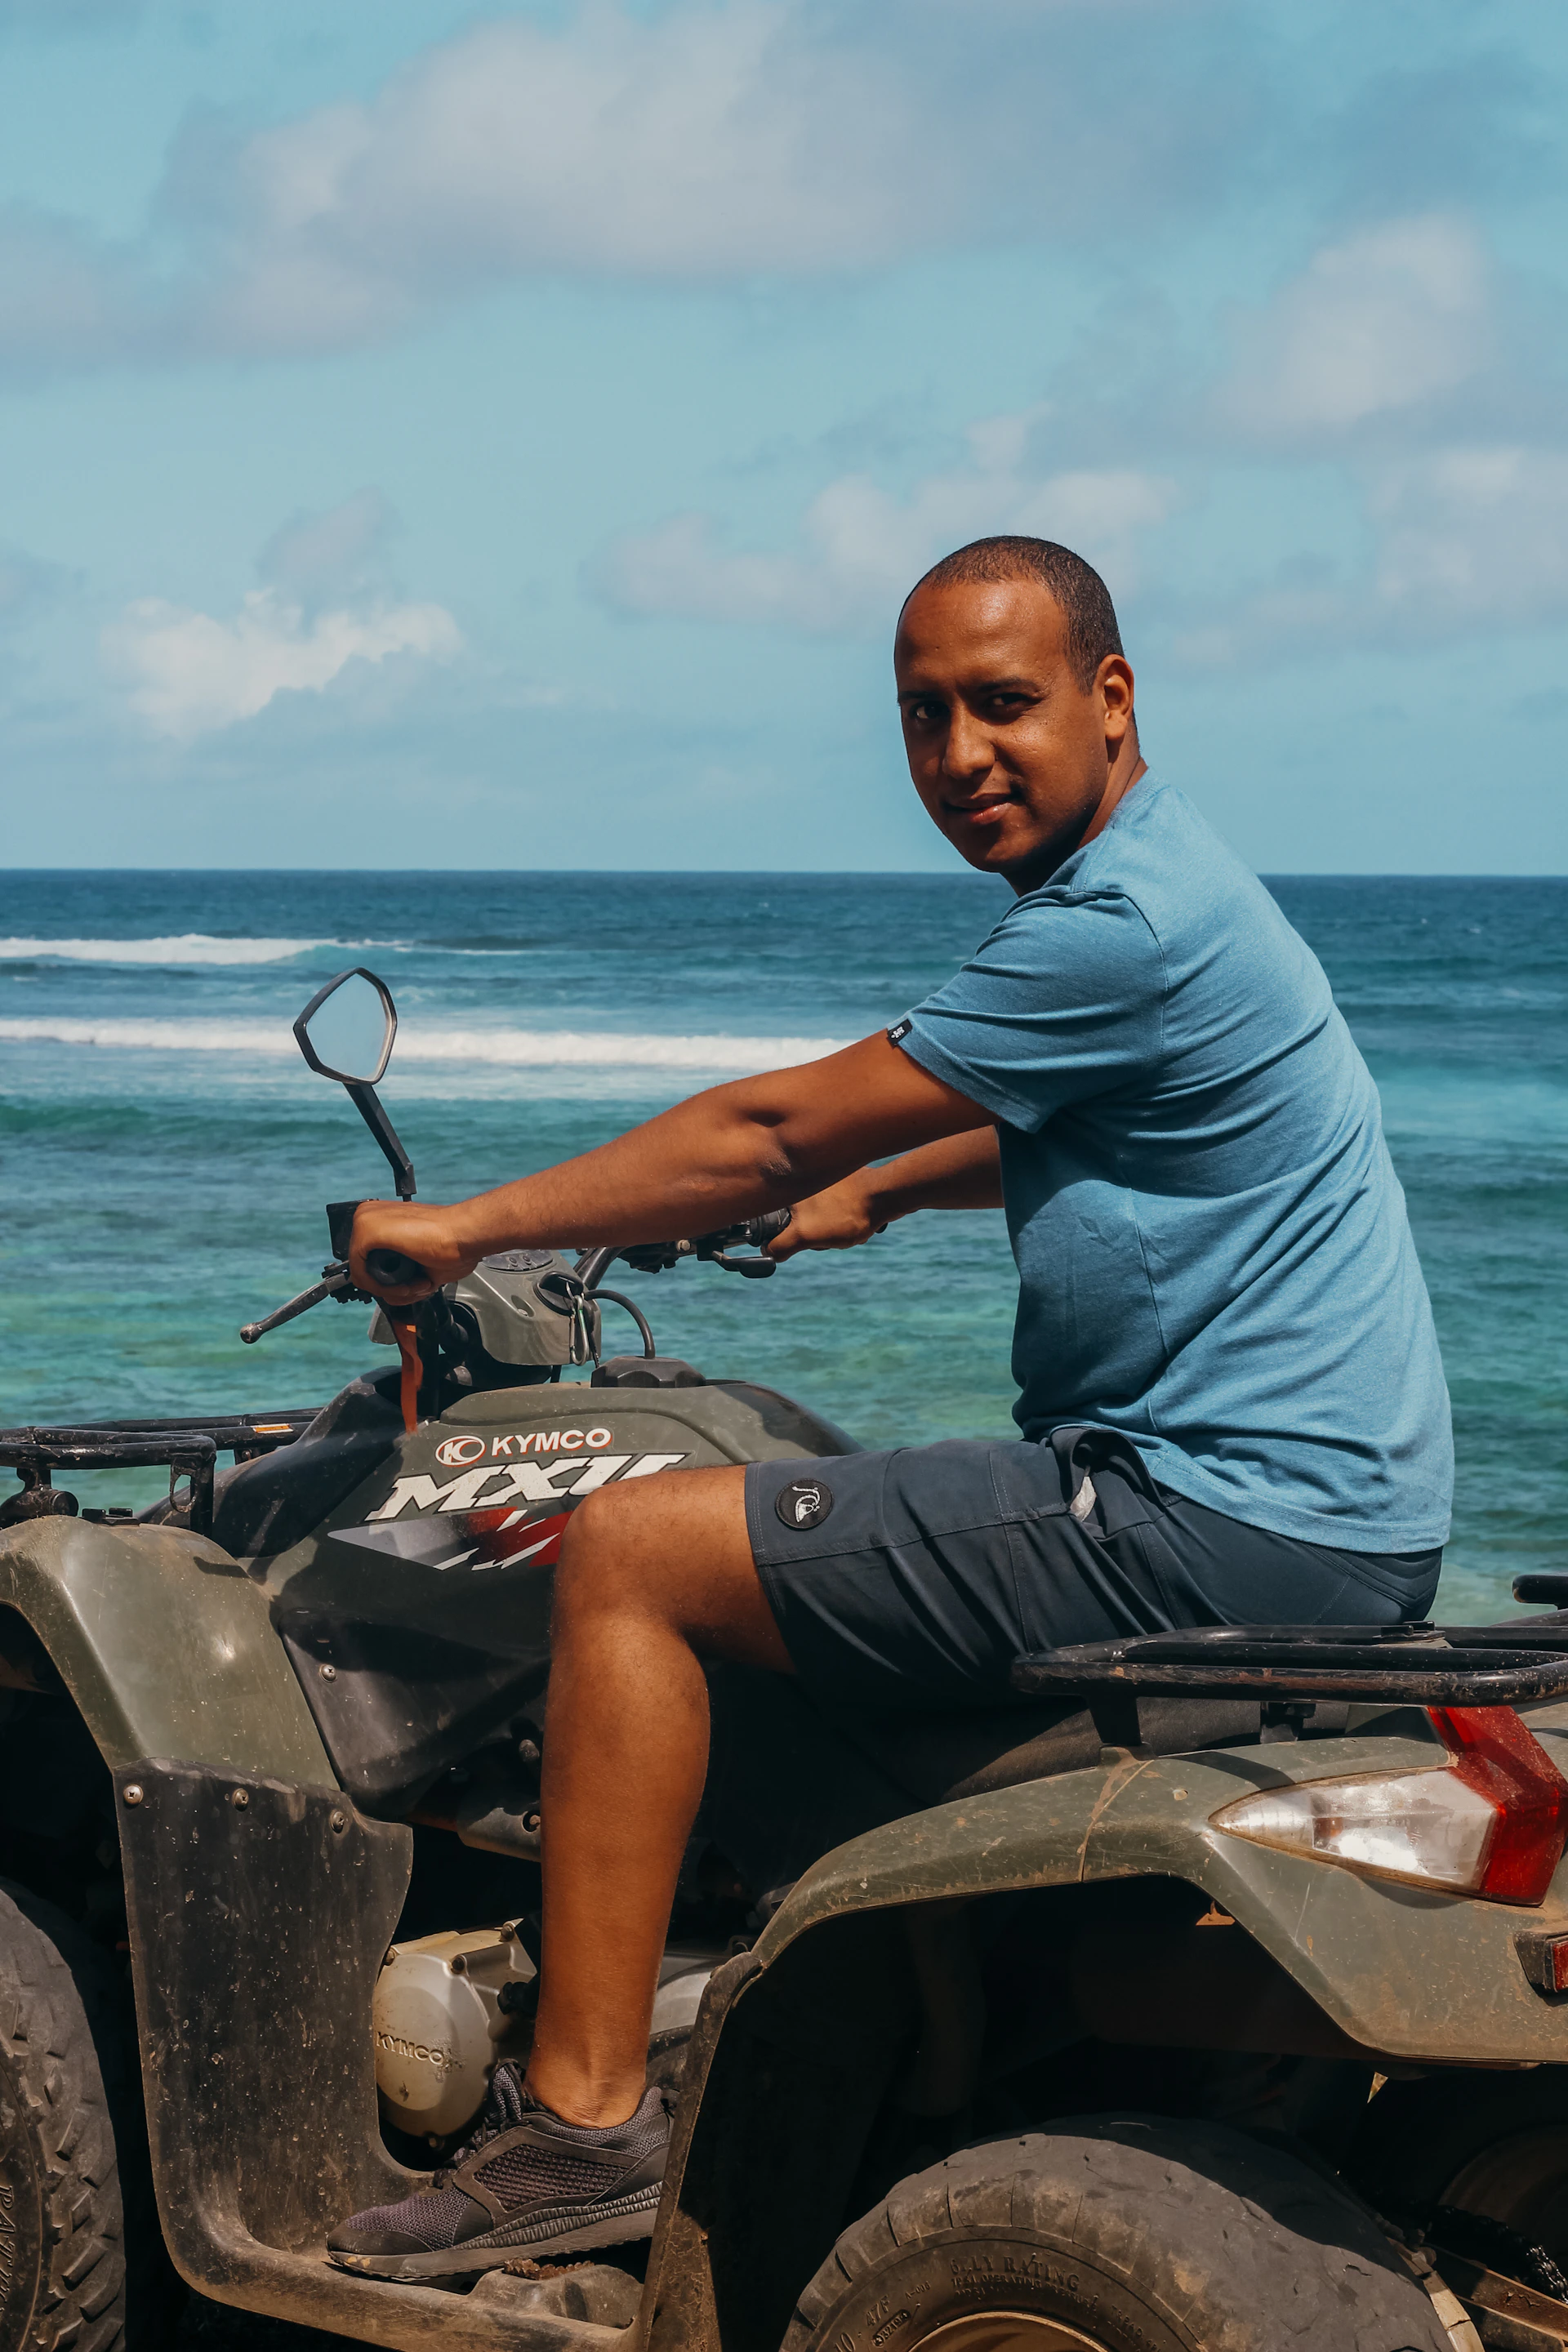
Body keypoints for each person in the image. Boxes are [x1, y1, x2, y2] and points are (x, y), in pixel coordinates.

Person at [327, 536, 1452, 2279]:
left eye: (1003, 704)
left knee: (630, 1550)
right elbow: (1083, 1120)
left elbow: (770, 1127)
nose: (960, 756)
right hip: (1339, 1524)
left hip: (1205, 1513)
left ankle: (578, 2133)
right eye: (924, 718)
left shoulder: (1118, 925)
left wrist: (464, 1225)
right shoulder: (1180, 887)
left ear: (1113, 696)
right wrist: (882, 1198)